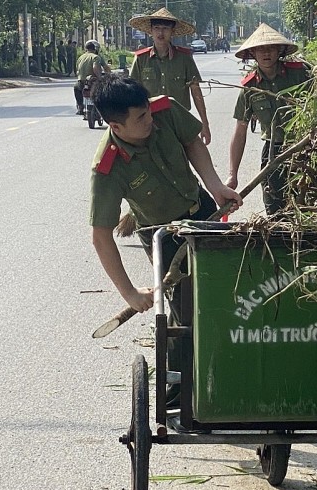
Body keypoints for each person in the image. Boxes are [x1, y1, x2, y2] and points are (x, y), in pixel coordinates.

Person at [89, 74, 242, 320]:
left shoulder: (165, 109)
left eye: (148, 110)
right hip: (165, 237)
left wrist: (215, 186)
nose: (150, 118)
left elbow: (192, 143)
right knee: (188, 311)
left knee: (227, 286)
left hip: (203, 213)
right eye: (141, 118)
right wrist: (130, 293)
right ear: (116, 127)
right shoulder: (108, 167)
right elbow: (101, 237)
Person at [227, 23, 310, 215]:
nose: (266, 53)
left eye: (271, 48)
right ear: (252, 53)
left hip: (304, 148)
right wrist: (233, 175)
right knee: (274, 207)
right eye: (260, 49)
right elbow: (240, 131)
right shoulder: (249, 87)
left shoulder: (300, 73)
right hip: (273, 151)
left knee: (305, 206)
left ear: (279, 50)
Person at [128, 8, 211, 145]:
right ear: (151, 31)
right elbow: (132, 93)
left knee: (186, 156)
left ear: (172, 31)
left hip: (179, 121)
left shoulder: (184, 58)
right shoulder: (141, 59)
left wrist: (205, 124)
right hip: (150, 122)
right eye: (157, 28)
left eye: (165, 28)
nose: (161, 33)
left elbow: (196, 91)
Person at [74, 40, 107, 116]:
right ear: (95, 49)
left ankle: (80, 107)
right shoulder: (96, 57)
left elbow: (77, 70)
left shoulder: (80, 57)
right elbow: (96, 68)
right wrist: (100, 78)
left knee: (76, 88)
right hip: (92, 82)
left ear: (86, 49)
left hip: (81, 82)